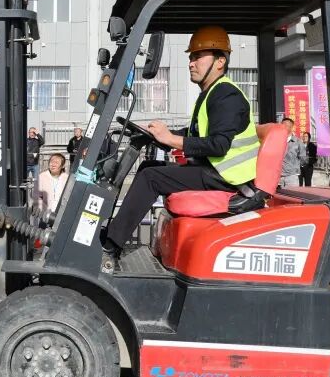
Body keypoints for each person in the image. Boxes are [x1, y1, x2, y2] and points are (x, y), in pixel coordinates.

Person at [102, 26, 259, 273]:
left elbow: (218, 145)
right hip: (214, 172)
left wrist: (171, 139)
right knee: (148, 166)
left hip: (228, 178)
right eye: (190, 57)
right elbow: (195, 134)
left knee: (150, 177)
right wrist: (161, 135)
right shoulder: (211, 93)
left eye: (198, 57)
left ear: (220, 62)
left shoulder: (226, 95)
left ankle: (110, 248)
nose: (191, 63)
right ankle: (113, 237)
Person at [279, 117, 306, 188]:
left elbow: (303, 158)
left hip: (292, 176)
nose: (283, 127)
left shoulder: (298, 142)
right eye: (282, 125)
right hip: (278, 176)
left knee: (291, 194)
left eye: (286, 125)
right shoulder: (277, 140)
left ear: (291, 127)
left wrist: (295, 167)